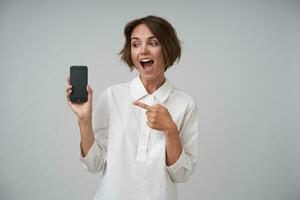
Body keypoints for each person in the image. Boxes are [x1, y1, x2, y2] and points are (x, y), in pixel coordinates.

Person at [66, 15, 199, 200]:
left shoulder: (185, 104)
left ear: (167, 49)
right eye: (136, 44)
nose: (143, 50)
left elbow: (181, 174)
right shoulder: (113, 96)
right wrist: (83, 120)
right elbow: (93, 164)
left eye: (153, 43)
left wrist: (170, 129)